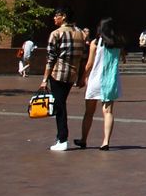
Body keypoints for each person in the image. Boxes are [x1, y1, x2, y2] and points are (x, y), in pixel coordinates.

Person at [76, 17, 124, 150]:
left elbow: (89, 64)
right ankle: (105, 141)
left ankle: (83, 139)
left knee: (89, 112)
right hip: (111, 80)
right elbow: (121, 59)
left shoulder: (96, 43)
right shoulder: (118, 44)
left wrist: (82, 78)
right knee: (108, 112)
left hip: (96, 79)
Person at [40, 9, 82, 150]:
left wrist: (45, 79)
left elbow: (50, 58)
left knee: (59, 106)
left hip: (58, 73)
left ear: (63, 17)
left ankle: (62, 139)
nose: (54, 18)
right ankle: (60, 137)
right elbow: (83, 57)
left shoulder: (56, 34)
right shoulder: (80, 33)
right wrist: (81, 77)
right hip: (72, 75)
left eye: (56, 16)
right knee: (61, 103)